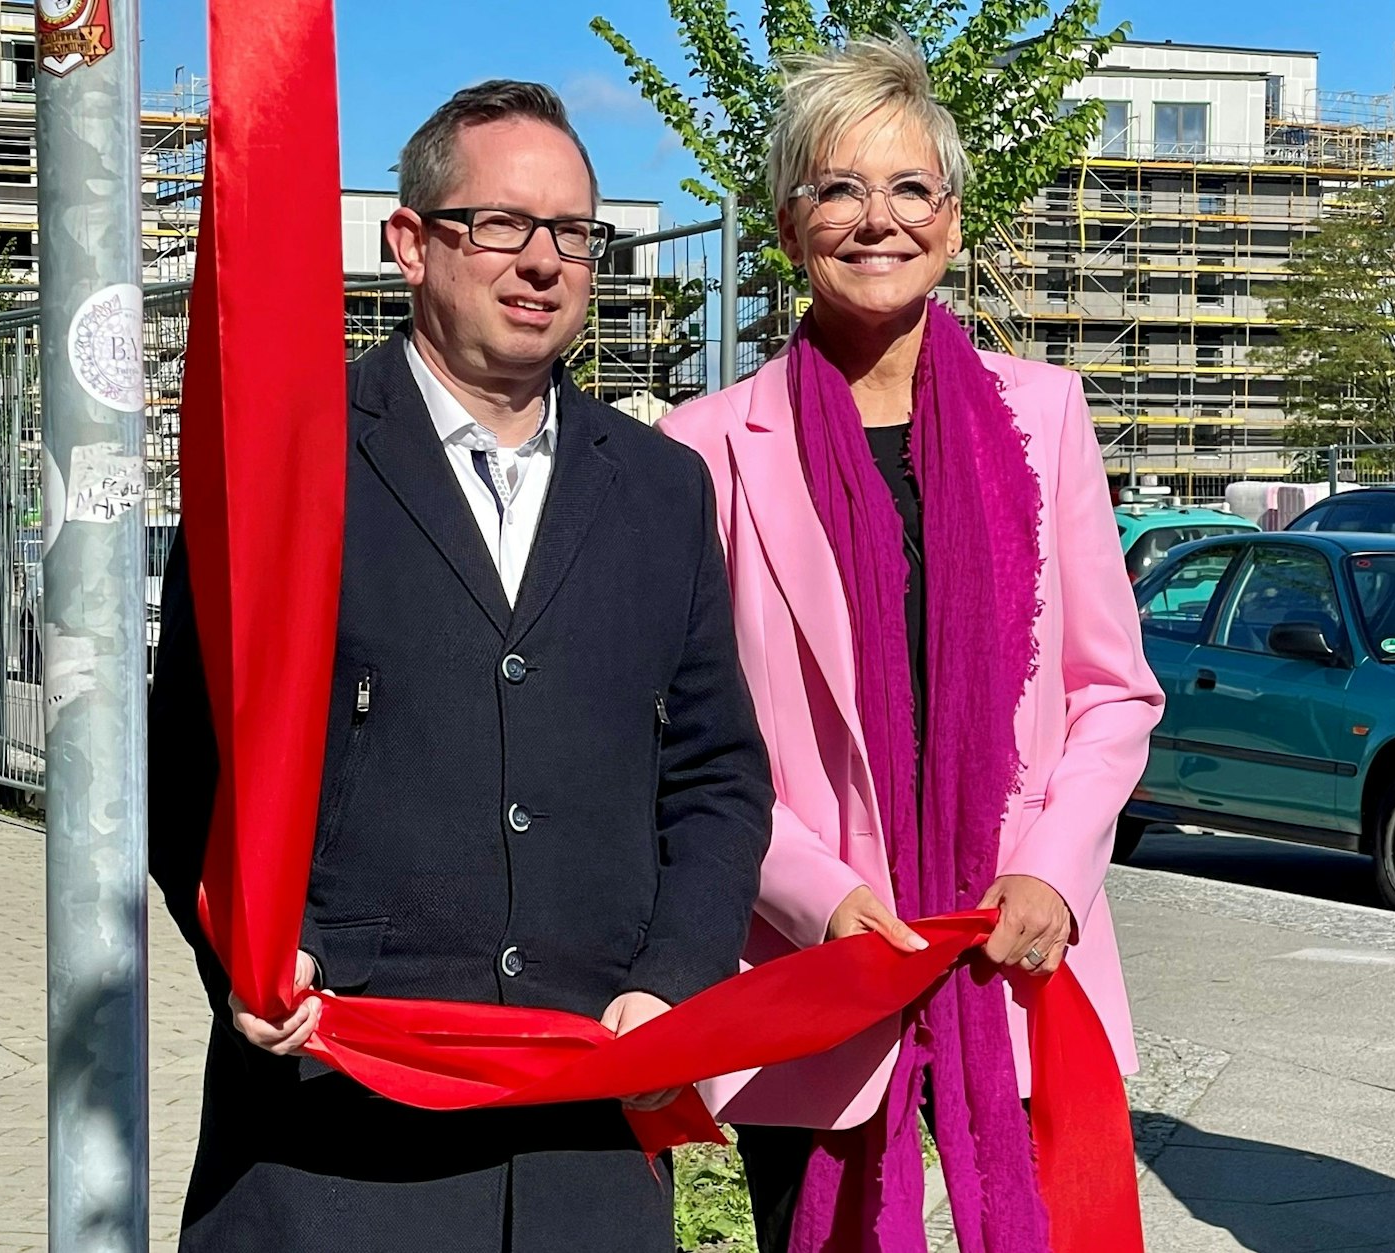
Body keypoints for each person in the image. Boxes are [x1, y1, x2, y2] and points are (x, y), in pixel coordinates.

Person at [148, 81, 775, 1253]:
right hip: (332, 1141)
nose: (540, 261)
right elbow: (189, 751)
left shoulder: (658, 490)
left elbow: (715, 774)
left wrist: (676, 976)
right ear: (409, 244)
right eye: (498, 224)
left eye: (573, 233)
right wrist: (246, 947)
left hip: (581, 1144)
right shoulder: (285, 463)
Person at [659, 35, 1163, 1253]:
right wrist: (819, 898)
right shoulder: (704, 445)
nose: (873, 220)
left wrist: (1051, 867)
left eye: (906, 190)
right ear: (787, 225)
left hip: (1013, 944)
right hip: (814, 960)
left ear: (947, 218)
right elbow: (678, 726)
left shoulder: (1044, 414)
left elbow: (1111, 693)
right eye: (837, 188)